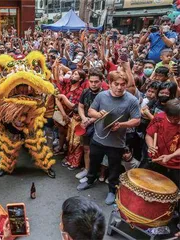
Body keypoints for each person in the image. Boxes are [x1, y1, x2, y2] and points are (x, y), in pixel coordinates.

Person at [77, 70, 141, 205]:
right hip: (98, 138)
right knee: (94, 161)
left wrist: (122, 124)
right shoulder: (101, 96)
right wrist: (99, 114)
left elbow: (137, 120)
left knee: (114, 168)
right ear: (110, 83)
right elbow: (90, 111)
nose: (119, 87)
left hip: (116, 143)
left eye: (122, 84)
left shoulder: (132, 100)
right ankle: (89, 180)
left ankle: (112, 190)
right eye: (116, 84)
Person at [76, 70, 105, 183]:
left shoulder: (105, 95)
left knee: (95, 151)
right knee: (86, 148)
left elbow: (104, 112)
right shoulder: (85, 92)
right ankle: (87, 170)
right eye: (91, 81)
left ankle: (93, 173)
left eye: (96, 82)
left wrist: (90, 120)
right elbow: (80, 106)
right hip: (86, 123)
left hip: (99, 126)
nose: (93, 84)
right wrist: (84, 118)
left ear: (101, 82)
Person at [146, 98, 180, 187]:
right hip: (156, 159)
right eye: (170, 118)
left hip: (176, 164)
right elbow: (149, 135)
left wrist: (171, 156)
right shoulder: (159, 118)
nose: (173, 121)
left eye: (177, 119)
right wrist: (150, 146)